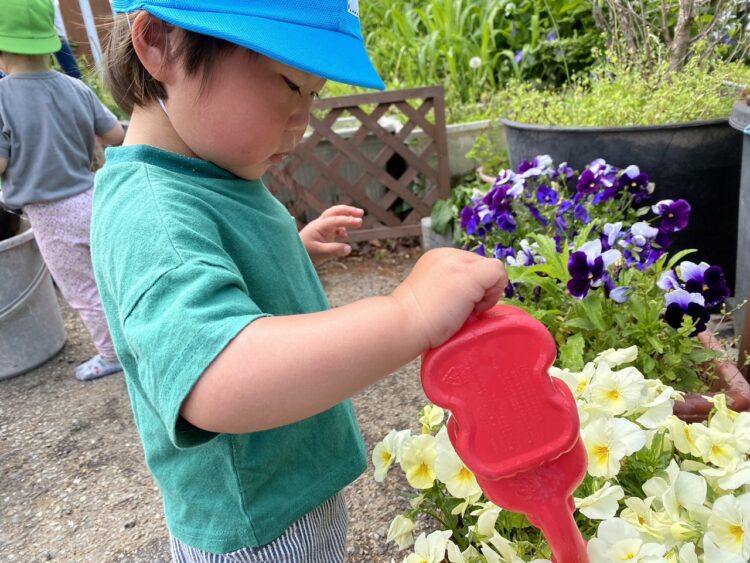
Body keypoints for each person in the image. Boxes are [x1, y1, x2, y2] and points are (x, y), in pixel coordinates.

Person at [91, 1, 508, 560]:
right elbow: (216, 376)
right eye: (289, 85)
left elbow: (215, 267)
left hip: (287, 490)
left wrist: (291, 248)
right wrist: (409, 313)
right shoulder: (152, 214)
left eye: (313, 94)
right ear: (160, 43)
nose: (302, 119)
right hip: (259, 527)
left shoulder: (208, 167)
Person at [0, 0, 125, 381]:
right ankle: (133, 335)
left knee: (82, 289)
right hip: (93, 197)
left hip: (50, 214)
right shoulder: (75, 87)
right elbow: (115, 135)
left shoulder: (2, 98)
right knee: (112, 280)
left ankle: (111, 354)